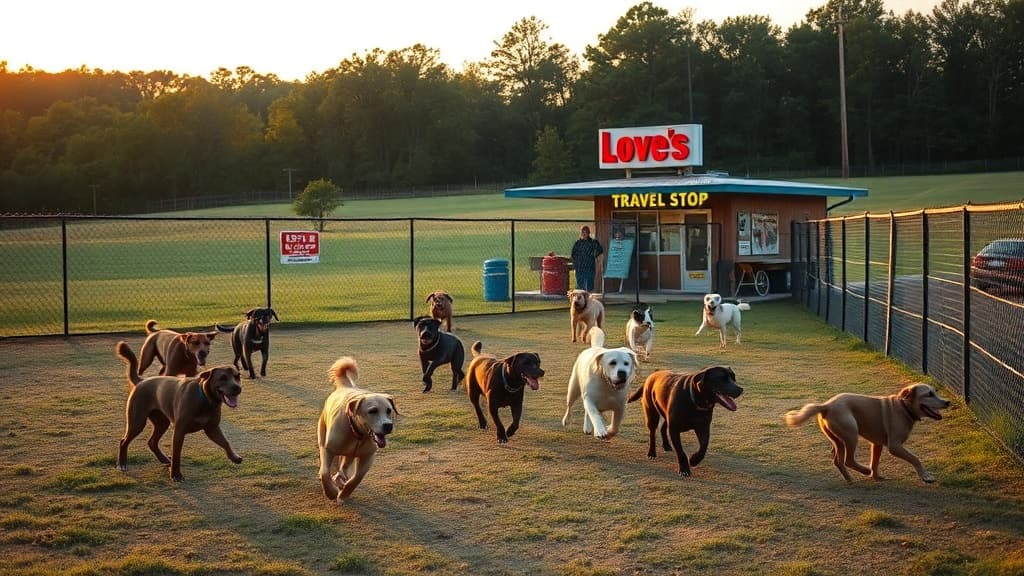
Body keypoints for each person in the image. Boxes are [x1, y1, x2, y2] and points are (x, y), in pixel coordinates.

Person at [571, 225, 603, 292]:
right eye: (582, 232)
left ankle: (589, 296)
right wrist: (575, 263)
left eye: (585, 232)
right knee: (580, 284)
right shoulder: (578, 243)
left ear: (588, 233)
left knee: (590, 283)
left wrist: (595, 254)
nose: (584, 234)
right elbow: (573, 254)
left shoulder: (593, 242)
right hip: (580, 266)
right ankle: (580, 297)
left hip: (589, 265)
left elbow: (600, 250)